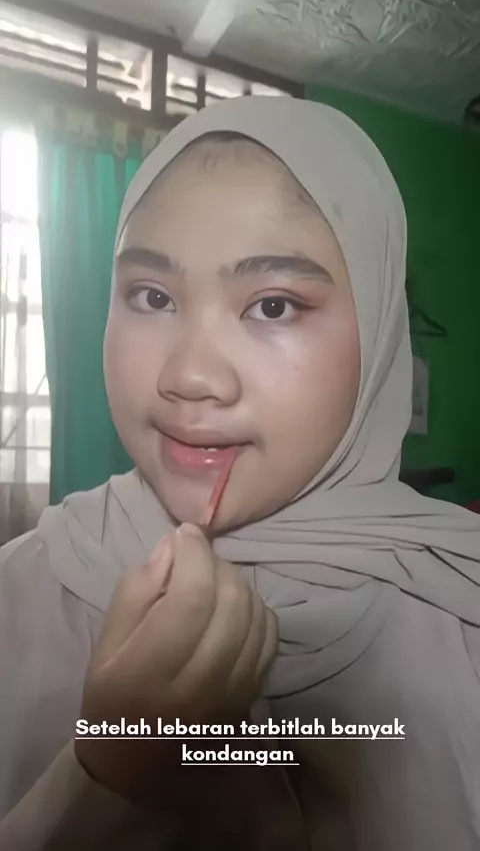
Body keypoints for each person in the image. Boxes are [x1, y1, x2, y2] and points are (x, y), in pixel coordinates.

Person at [1, 95, 480, 851]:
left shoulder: (461, 607)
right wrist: (100, 780)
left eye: (274, 307)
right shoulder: (21, 590)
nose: (190, 377)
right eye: (152, 296)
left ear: (380, 333)